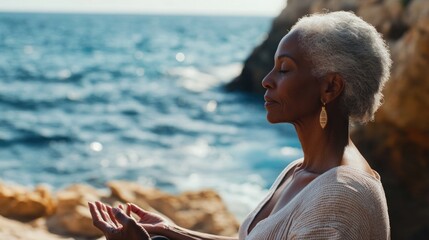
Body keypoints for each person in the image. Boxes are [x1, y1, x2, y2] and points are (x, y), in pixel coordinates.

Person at [88, 11, 392, 240]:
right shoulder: (299, 170)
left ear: (330, 88)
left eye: (284, 68)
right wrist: (173, 231)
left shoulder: (340, 196)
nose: (266, 80)